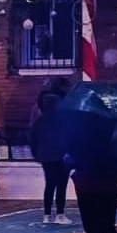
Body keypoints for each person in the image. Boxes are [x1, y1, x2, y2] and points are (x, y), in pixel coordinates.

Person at [29, 90, 71, 225]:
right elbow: (67, 138)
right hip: (60, 157)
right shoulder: (62, 120)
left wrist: (36, 154)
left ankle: (47, 215)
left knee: (49, 184)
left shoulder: (39, 121)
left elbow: (32, 138)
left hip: (45, 157)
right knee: (61, 185)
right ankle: (60, 214)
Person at [70, 154, 117, 233]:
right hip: (109, 185)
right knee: (108, 226)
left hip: (87, 186)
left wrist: (74, 174)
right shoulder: (113, 141)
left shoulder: (80, 142)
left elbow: (70, 159)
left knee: (92, 228)